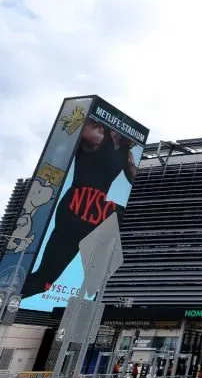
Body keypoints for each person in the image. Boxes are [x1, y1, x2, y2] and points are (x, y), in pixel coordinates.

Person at [23, 119, 138, 298]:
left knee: (128, 218)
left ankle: (108, 287)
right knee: (44, 282)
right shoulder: (96, 132)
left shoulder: (126, 153)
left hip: (97, 211)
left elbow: (134, 177)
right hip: (75, 207)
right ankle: (4, 300)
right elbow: (64, 138)